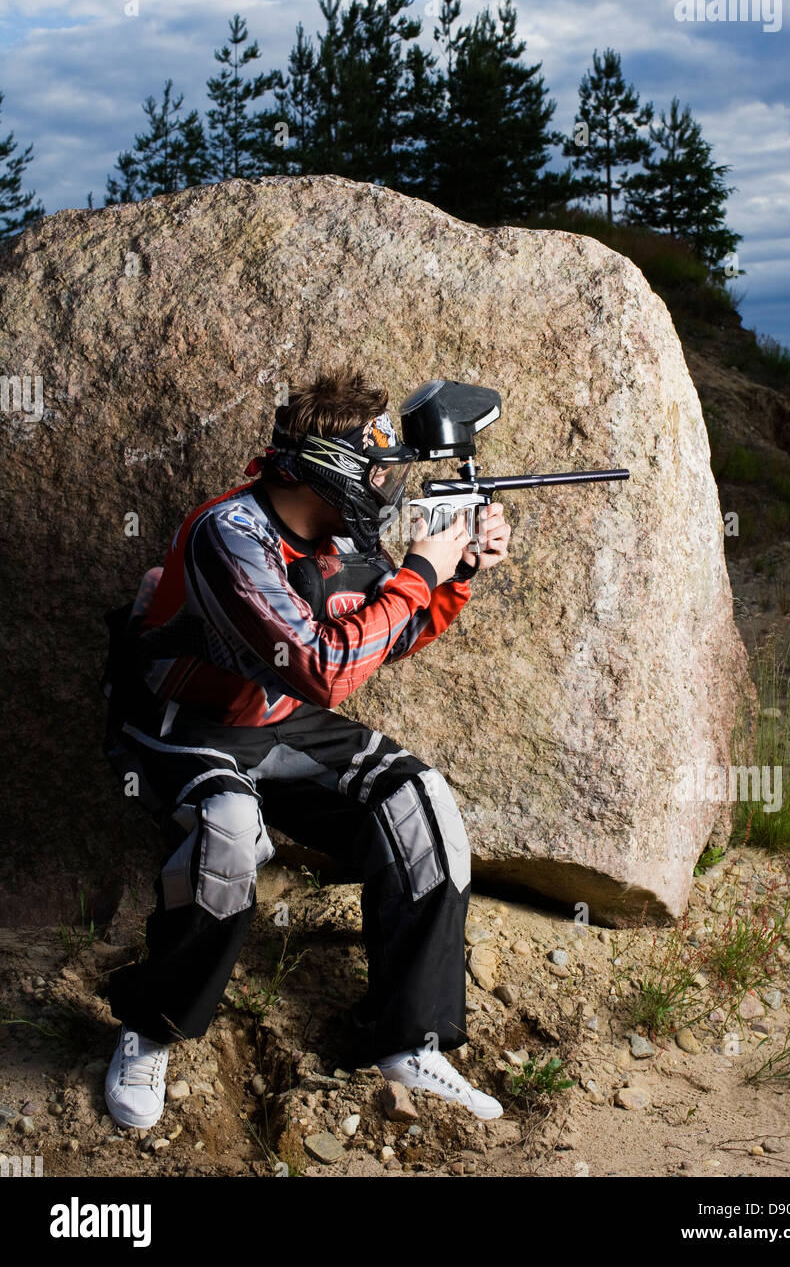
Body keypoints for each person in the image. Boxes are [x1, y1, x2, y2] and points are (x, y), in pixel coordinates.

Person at [101, 363, 512, 1131]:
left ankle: (409, 1044)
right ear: (329, 472)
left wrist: (454, 575)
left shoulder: (334, 535)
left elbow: (386, 635)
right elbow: (325, 668)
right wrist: (420, 567)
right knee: (226, 835)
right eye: (379, 474)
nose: (391, 492)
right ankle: (151, 1029)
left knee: (419, 801)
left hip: (279, 718)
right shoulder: (231, 535)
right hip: (184, 727)